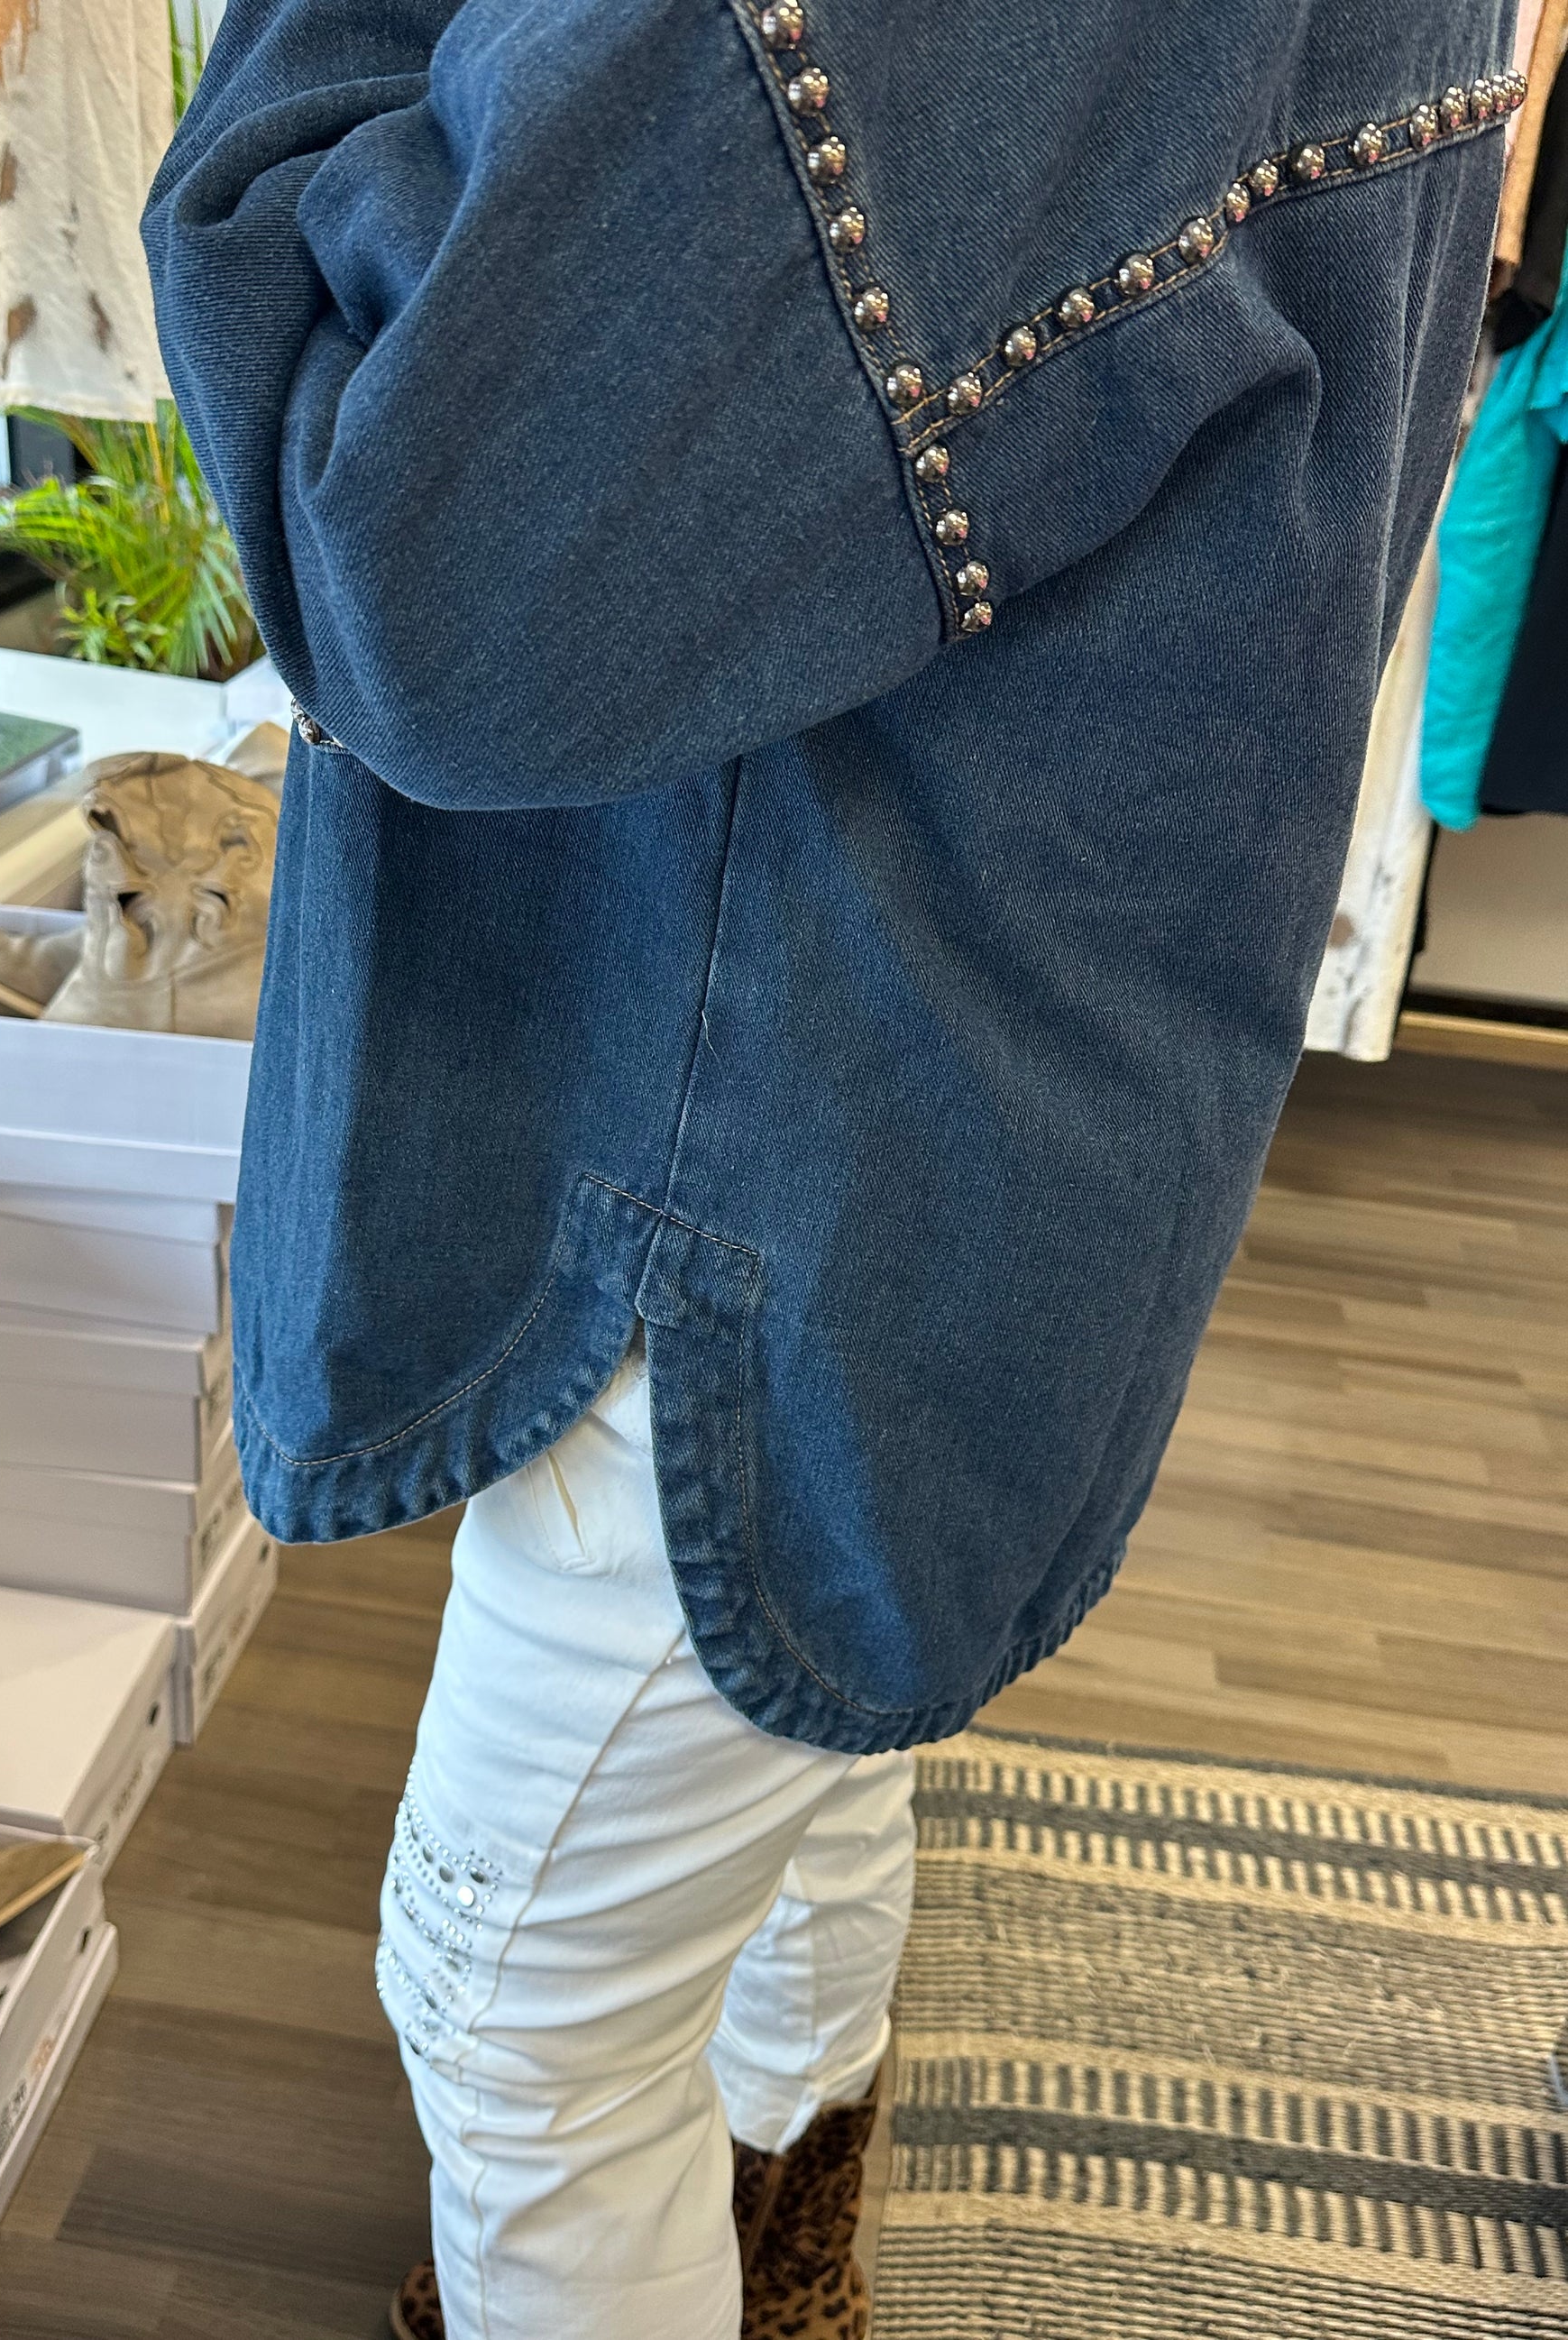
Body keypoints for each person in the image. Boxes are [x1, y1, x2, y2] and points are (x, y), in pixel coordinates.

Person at [142, 4, 1522, 2333]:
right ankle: (787, 2232)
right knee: (800, 1736)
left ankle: (757, 2234)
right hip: (964, 1066)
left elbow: (426, 572)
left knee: (516, 2027)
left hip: (750, 1108)